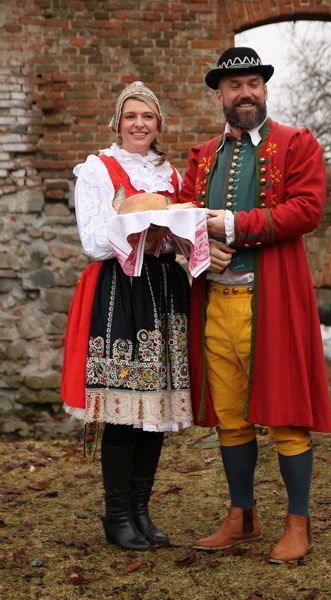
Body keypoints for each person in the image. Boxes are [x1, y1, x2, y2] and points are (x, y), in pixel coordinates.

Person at [179, 47, 331, 564]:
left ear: (264, 89)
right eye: (234, 86)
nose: (244, 93)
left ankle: (298, 523)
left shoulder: (296, 144)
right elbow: (182, 220)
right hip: (216, 305)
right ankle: (242, 517)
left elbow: (307, 209)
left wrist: (233, 225)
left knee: (286, 414)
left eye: (253, 84)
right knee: (230, 417)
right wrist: (201, 250)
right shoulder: (202, 155)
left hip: (271, 304)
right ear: (219, 95)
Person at [61, 81, 193, 551]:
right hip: (121, 289)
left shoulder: (169, 173)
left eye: (148, 116)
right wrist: (141, 228)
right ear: (117, 123)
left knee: (155, 408)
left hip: (164, 289)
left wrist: (177, 233)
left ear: (159, 125)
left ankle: (140, 510)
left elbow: (182, 236)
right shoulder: (98, 169)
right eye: (131, 116)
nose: (139, 124)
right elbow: (93, 242)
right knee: (123, 409)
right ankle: (116, 515)